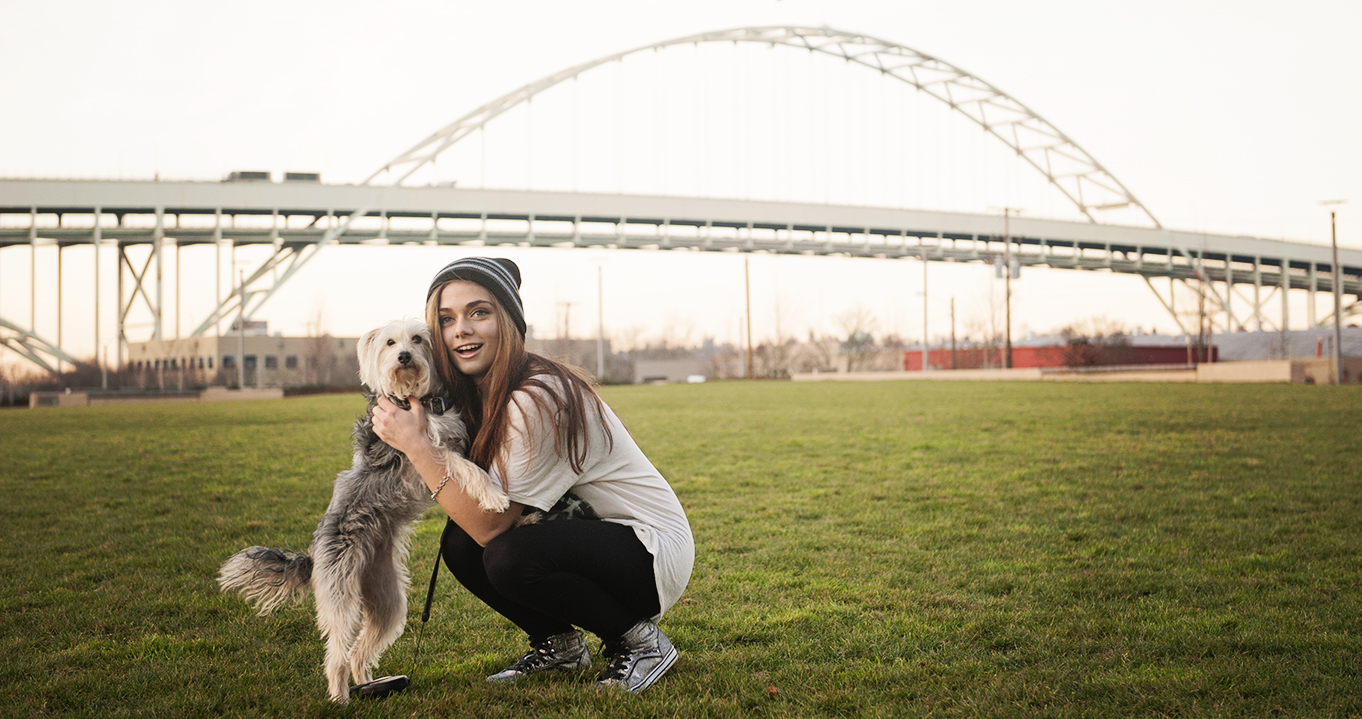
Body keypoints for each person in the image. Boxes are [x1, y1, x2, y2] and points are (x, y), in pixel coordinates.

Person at [371, 256, 694, 694]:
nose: (461, 329)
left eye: (478, 312)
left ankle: (641, 644)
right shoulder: (483, 393)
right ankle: (559, 646)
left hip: (649, 552)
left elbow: (495, 524)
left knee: (505, 552)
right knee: (460, 541)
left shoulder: (535, 397)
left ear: (509, 323)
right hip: (592, 536)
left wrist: (417, 446)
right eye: (446, 320)